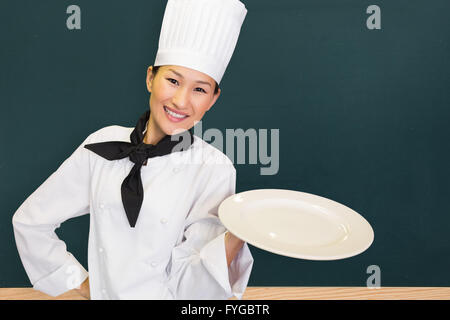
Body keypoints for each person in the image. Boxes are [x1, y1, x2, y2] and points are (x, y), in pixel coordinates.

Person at [12, 0, 253, 300]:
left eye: (200, 89)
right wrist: (78, 285)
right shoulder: (102, 146)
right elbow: (30, 222)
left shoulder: (213, 169)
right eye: (173, 80)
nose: (181, 101)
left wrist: (240, 234)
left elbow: (195, 290)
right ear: (150, 77)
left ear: (213, 99)